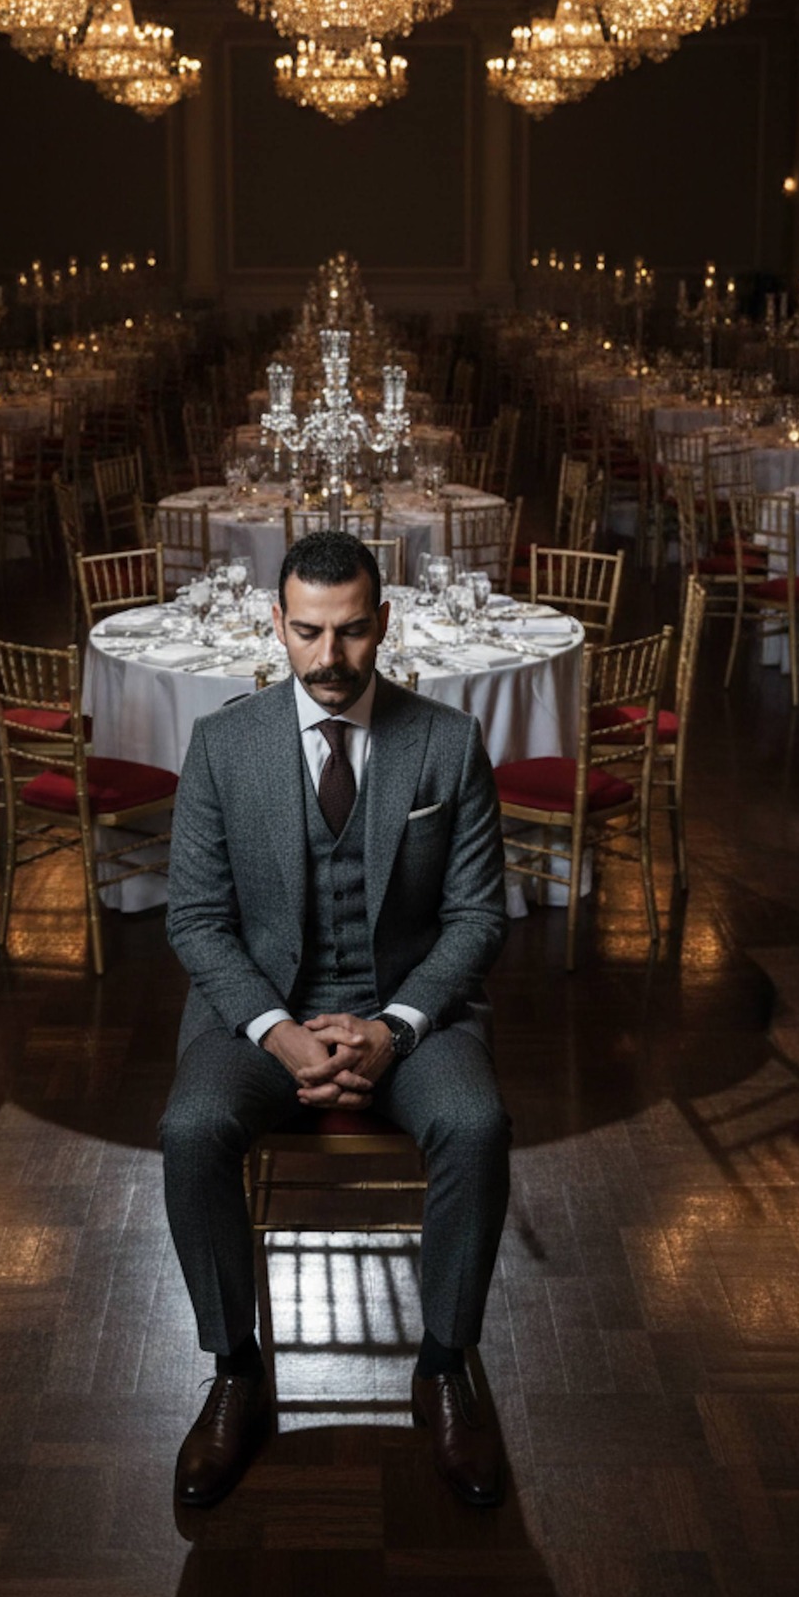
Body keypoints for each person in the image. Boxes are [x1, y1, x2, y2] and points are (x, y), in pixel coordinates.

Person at [161, 530, 511, 1509]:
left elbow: (478, 915)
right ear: (276, 624)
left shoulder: (445, 739)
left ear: (381, 625)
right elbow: (193, 917)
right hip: (264, 1014)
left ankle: (443, 1364)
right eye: (307, 631)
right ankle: (236, 1368)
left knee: (477, 1124)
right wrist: (277, 1031)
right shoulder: (221, 744)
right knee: (190, 1130)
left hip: (409, 1010)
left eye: (351, 631)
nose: (328, 657)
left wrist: (394, 1025)